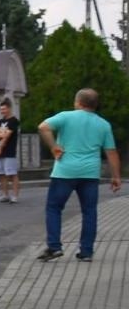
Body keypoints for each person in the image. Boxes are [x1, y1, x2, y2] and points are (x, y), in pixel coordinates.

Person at [36, 88, 122, 262]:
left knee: (54, 208)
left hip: (65, 171)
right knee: (89, 211)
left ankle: (54, 247)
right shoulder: (103, 124)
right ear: (95, 105)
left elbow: (43, 127)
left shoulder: (66, 117)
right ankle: (86, 252)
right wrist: (116, 176)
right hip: (90, 173)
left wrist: (54, 147)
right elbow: (111, 152)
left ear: (78, 102)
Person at [0, 97, 22, 203]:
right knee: (1, 173)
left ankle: (15, 195)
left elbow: (7, 136)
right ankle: (5, 194)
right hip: (0, 151)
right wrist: (0, 136)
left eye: (4, 109)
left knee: (12, 173)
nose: (2, 111)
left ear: (9, 108)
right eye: (1, 110)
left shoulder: (14, 121)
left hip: (9, 151)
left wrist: (0, 147)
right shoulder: (0, 121)